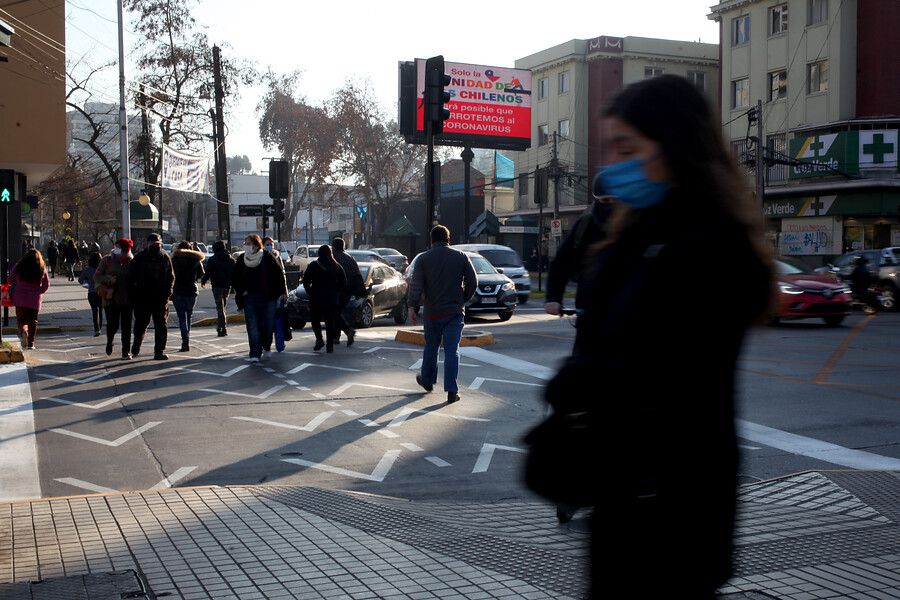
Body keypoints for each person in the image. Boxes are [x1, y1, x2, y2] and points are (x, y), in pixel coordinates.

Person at [541, 75, 772, 599]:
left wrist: (581, 380)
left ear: (673, 146)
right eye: (611, 149)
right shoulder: (636, 233)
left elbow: (674, 374)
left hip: (677, 505)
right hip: (624, 494)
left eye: (628, 148)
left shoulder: (712, 245)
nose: (615, 164)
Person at [407, 225, 477, 404]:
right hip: (454, 312)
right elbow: (473, 281)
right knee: (452, 351)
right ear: (449, 239)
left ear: (431, 240)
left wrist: (412, 307)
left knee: (431, 346)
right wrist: (463, 298)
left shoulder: (423, 259)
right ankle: (452, 391)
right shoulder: (460, 257)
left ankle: (428, 380)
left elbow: (416, 286)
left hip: (432, 313)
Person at [544, 196, 615, 319]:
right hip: (588, 312)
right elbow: (560, 264)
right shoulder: (586, 225)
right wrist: (553, 298)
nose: (613, 205)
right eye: (606, 200)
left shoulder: (639, 224)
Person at [232, 234, 287, 362]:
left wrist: (283, 292)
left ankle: (266, 345)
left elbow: (279, 274)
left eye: (248, 243)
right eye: (245, 244)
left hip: (268, 297)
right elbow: (234, 278)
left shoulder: (267, 257)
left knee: (267, 324)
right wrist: (242, 291)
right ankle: (254, 353)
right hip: (249, 298)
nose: (245, 246)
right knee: (252, 326)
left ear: (256, 245)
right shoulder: (241, 259)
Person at [128, 233, 174, 360]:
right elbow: (130, 277)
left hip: (160, 299)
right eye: (153, 244)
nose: (156, 246)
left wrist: (168, 293)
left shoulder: (165, 257)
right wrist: (133, 295)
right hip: (142, 298)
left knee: (161, 325)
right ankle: (136, 346)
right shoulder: (140, 258)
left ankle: (159, 351)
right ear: (147, 244)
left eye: (158, 244)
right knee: (141, 324)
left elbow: (171, 277)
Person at [301, 245, 346, 353]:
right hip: (331, 298)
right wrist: (336, 292)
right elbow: (343, 281)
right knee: (329, 321)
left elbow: (306, 280)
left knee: (315, 319)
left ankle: (319, 339)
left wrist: (310, 292)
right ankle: (329, 345)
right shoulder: (336, 266)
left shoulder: (314, 265)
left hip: (316, 297)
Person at [95, 238, 134, 359]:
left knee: (127, 326)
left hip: (127, 299)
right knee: (113, 324)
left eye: (124, 250)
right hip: (110, 298)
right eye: (119, 248)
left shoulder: (132, 261)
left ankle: (126, 351)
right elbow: (96, 276)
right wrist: (108, 279)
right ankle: (109, 341)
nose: (121, 252)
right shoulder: (107, 260)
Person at [9, 248, 50, 350]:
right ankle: (31, 343)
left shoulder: (19, 266)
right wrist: (39, 291)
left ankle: (23, 331)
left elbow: (10, 279)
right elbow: (46, 284)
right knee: (33, 321)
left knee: (21, 320)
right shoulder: (41, 267)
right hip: (34, 299)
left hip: (20, 298)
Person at [170, 241, 206, 352]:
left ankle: (184, 341)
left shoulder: (174, 260)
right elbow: (201, 274)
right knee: (188, 316)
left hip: (178, 291)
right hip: (191, 291)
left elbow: (169, 275)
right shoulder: (196, 259)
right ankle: (187, 340)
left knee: (182, 318)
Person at [331, 237, 366, 347]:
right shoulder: (350, 258)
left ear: (333, 247)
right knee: (337, 312)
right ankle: (335, 337)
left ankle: (347, 330)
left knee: (333, 312)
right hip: (349, 291)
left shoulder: (333, 257)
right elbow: (358, 275)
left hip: (337, 290)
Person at [201, 240, 236, 337]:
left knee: (220, 307)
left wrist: (203, 281)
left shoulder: (213, 259)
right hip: (226, 286)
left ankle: (222, 327)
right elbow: (234, 274)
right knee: (222, 306)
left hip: (216, 286)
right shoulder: (231, 259)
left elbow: (207, 272)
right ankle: (222, 327)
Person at [79, 251, 103, 336]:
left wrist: (87, 282)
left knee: (94, 311)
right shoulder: (102, 269)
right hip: (101, 292)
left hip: (91, 293)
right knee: (101, 310)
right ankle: (100, 327)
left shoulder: (88, 269)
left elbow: (80, 280)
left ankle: (96, 329)